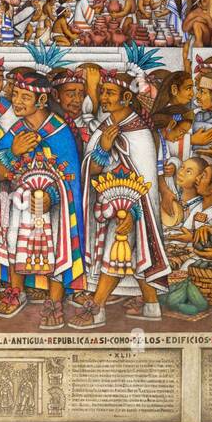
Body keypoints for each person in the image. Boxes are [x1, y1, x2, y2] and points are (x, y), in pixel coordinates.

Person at [0, 69, 86, 329]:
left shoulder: (59, 132)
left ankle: (54, 300)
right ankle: (17, 291)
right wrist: (13, 152)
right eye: (15, 95)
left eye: (24, 97)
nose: (17, 101)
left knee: (55, 249)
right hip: (19, 205)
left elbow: (70, 177)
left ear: (40, 101)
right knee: (13, 241)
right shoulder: (17, 129)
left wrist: (52, 196)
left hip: (53, 210)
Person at [72, 70, 169, 328]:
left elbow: (144, 180)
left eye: (110, 93)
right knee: (137, 254)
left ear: (127, 97)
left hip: (134, 210)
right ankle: (151, 305)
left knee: (119, 252)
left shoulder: (139, 133)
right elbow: (91, 170)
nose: (104, 97)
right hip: (108, 205)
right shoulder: (106, 127)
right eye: (102, 91)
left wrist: (133, 212)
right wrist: (103, 148)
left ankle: (98, 307)